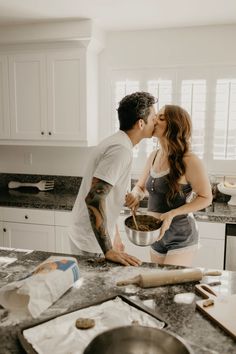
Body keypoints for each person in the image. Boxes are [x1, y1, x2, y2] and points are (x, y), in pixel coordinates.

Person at [69, 92, 157, 266]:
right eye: (153, 118)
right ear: (141, 123)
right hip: (90, 243)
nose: (156, 122)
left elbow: (106, 196)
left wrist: (114, 235)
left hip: (89, 238)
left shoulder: (119, 143)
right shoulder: (121, 150)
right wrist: (108, 248)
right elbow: (94, 199)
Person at [125, 104, 212, 266]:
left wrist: (172, 213)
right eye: (155, 116)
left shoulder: (190, 160)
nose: (154, 120)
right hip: (155, 235)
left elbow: (206, 197)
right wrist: (135, 195)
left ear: (174, 125)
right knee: (158, 285)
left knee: (169, 286)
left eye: (161, 117)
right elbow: (141, 187)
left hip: (181, 236)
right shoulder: (154, 155)